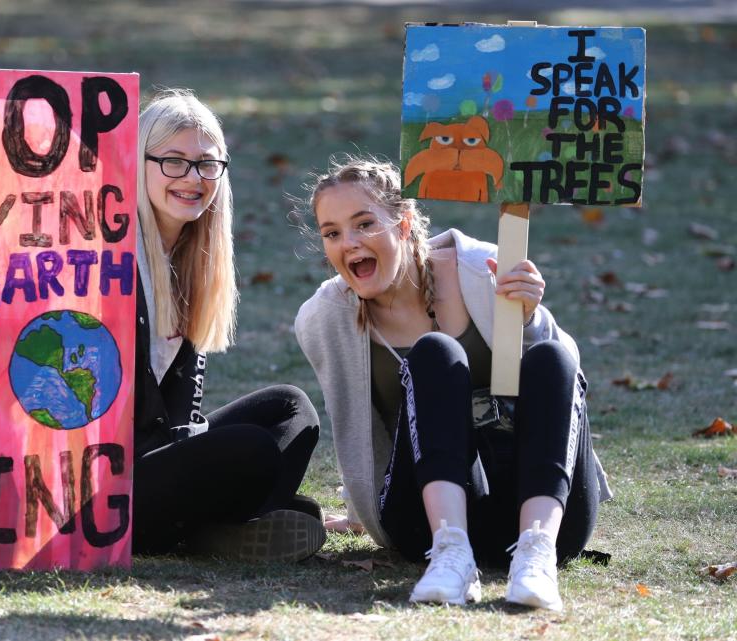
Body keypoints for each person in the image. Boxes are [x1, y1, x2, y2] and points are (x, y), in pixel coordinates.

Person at [294, 156, 612, 609]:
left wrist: (530, 319)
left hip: (536, 507)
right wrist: (358, 509)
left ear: (403, 223)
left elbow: (564, 389)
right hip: (422, 526)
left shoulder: (482, 270)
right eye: (332, 233)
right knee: (435, 353)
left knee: (553, 353)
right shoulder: (326, 318)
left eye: (364, 224)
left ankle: (535, 556)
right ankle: (452, 552)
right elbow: (356, 426)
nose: (349, 243)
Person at [132, 89, 325, 562]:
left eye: (206, 164)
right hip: (107, 483)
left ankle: (213, 529)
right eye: (173, 161)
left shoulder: (193, 260)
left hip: (158, 454)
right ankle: (213, 526)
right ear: (139, 163)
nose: (192, 178)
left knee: (290, 409)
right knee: (250, 452)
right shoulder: (109, 258)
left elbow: (179, 414)